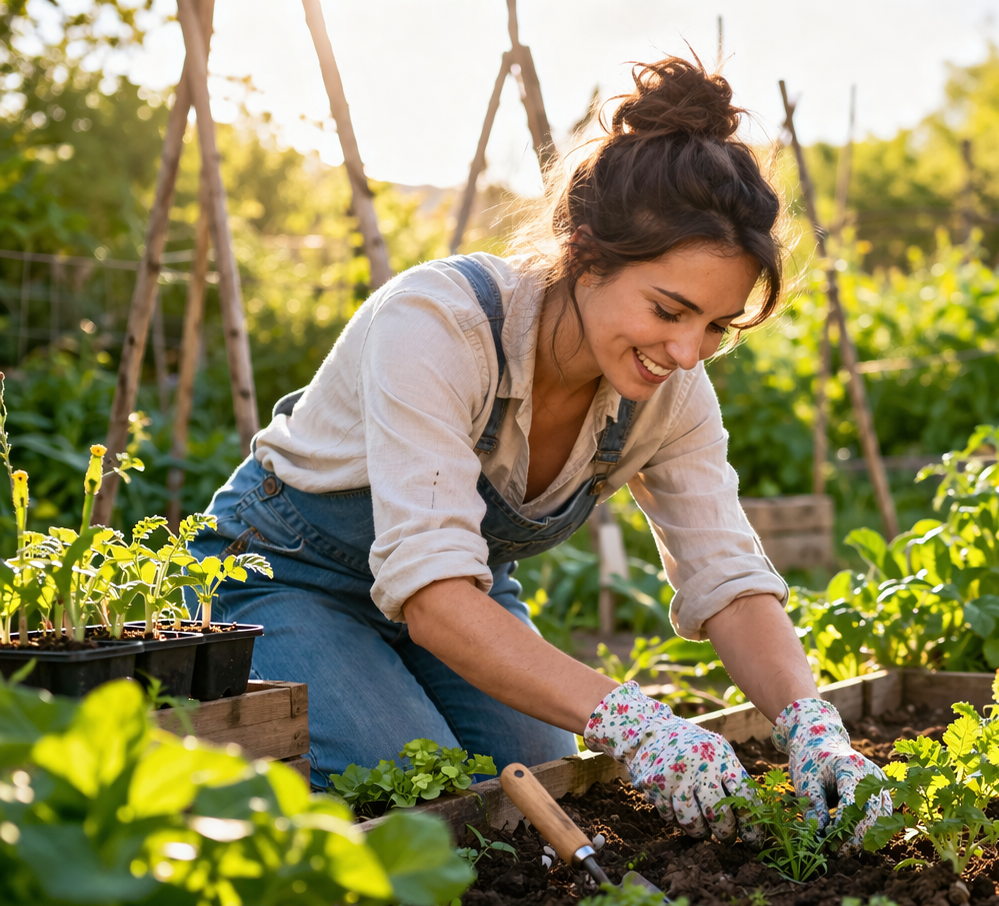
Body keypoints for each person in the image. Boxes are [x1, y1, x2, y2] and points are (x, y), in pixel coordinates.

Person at [190, 57, 886, 843]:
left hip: (462, 601)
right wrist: (636, 719)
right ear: (586, 255)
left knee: (536, 774)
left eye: (717, 327)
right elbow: (433, 594)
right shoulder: (439, 326)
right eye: (670, 309)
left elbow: (725, 574)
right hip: (286, 582)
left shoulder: (672, 392)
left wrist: (810, 720)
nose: (689, 351)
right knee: (414, 781)